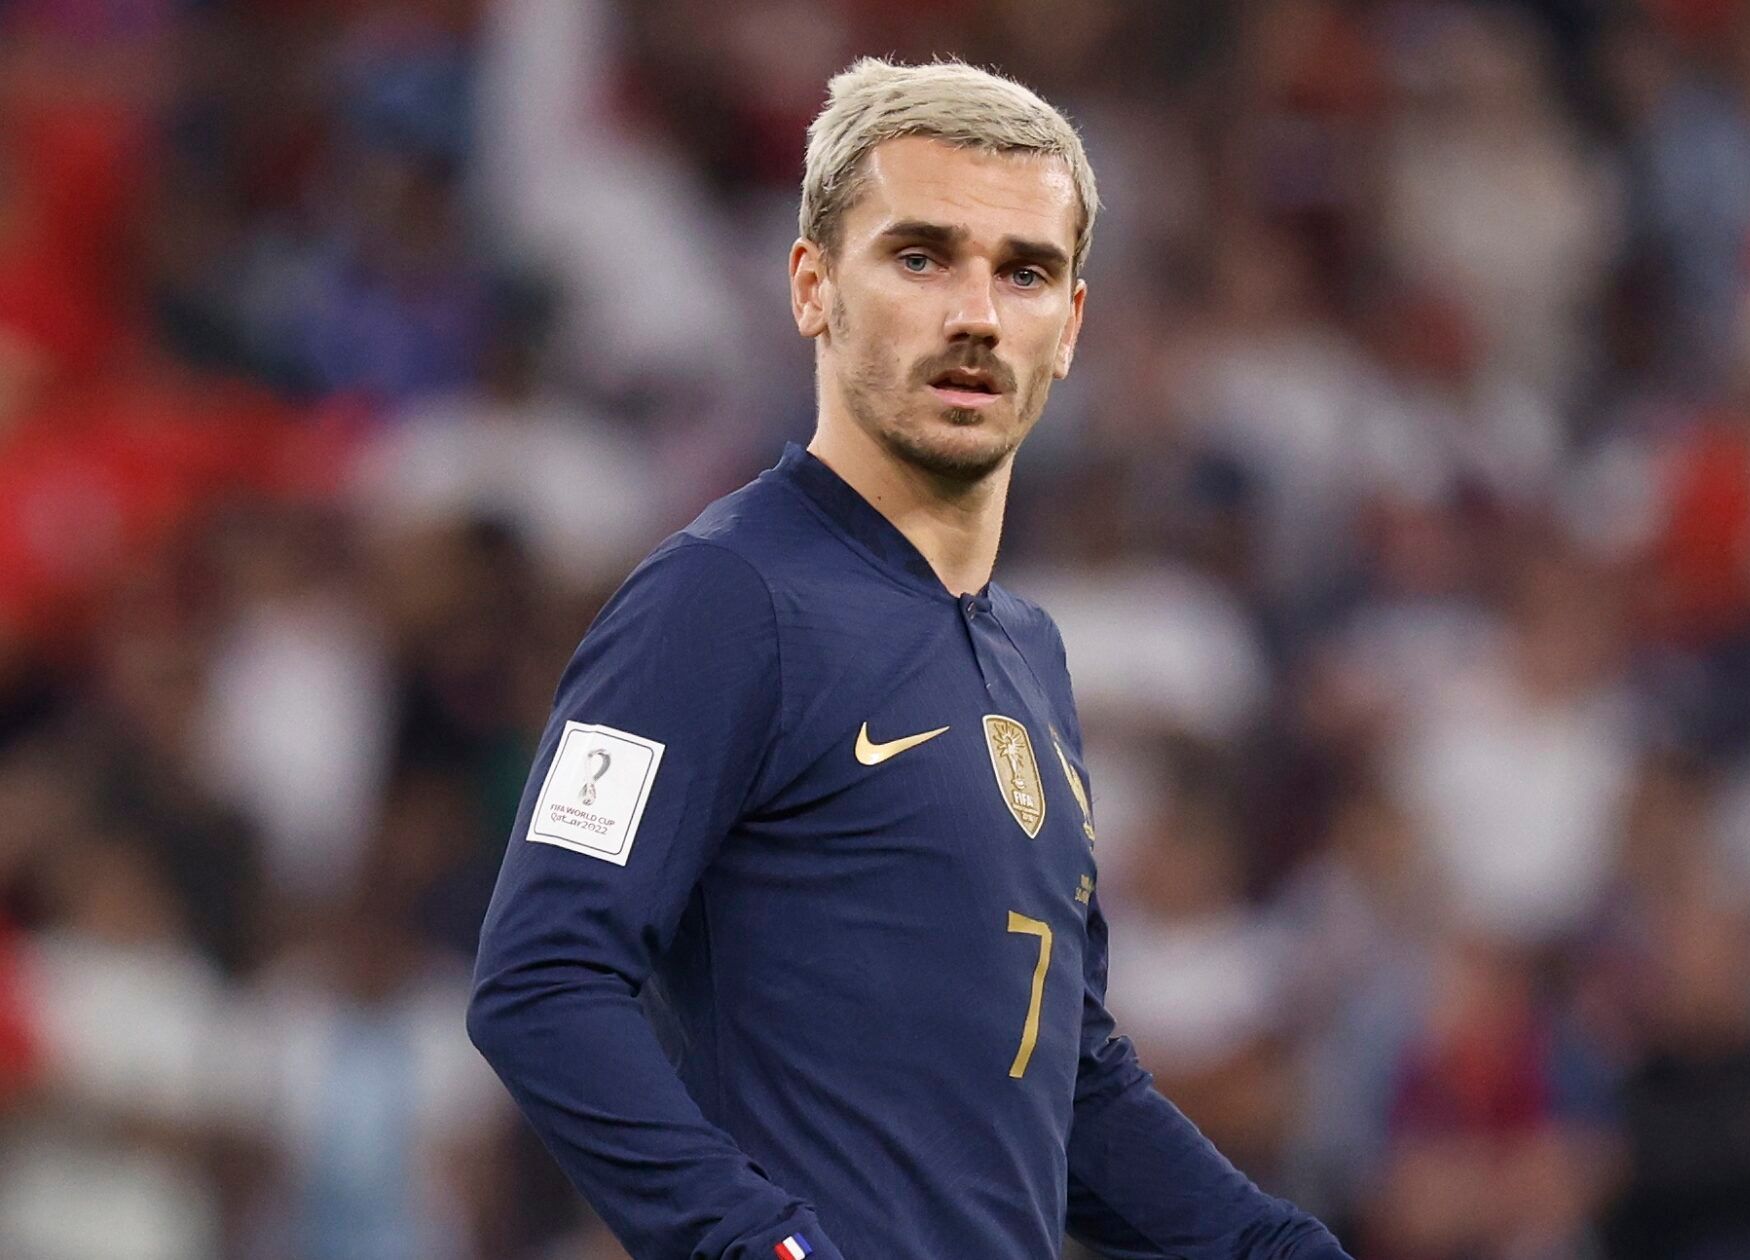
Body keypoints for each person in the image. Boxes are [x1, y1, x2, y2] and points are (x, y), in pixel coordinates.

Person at [467, 57, 1353, 1260]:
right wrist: (759, 1246)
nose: (976, 315)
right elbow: (542, 979)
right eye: (921, 255)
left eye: (1024, 271)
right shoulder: (716, 601)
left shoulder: (1031, 656)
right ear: (814, 287)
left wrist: (1273, 1248)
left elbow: (1066, 1085)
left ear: (1072, 326)